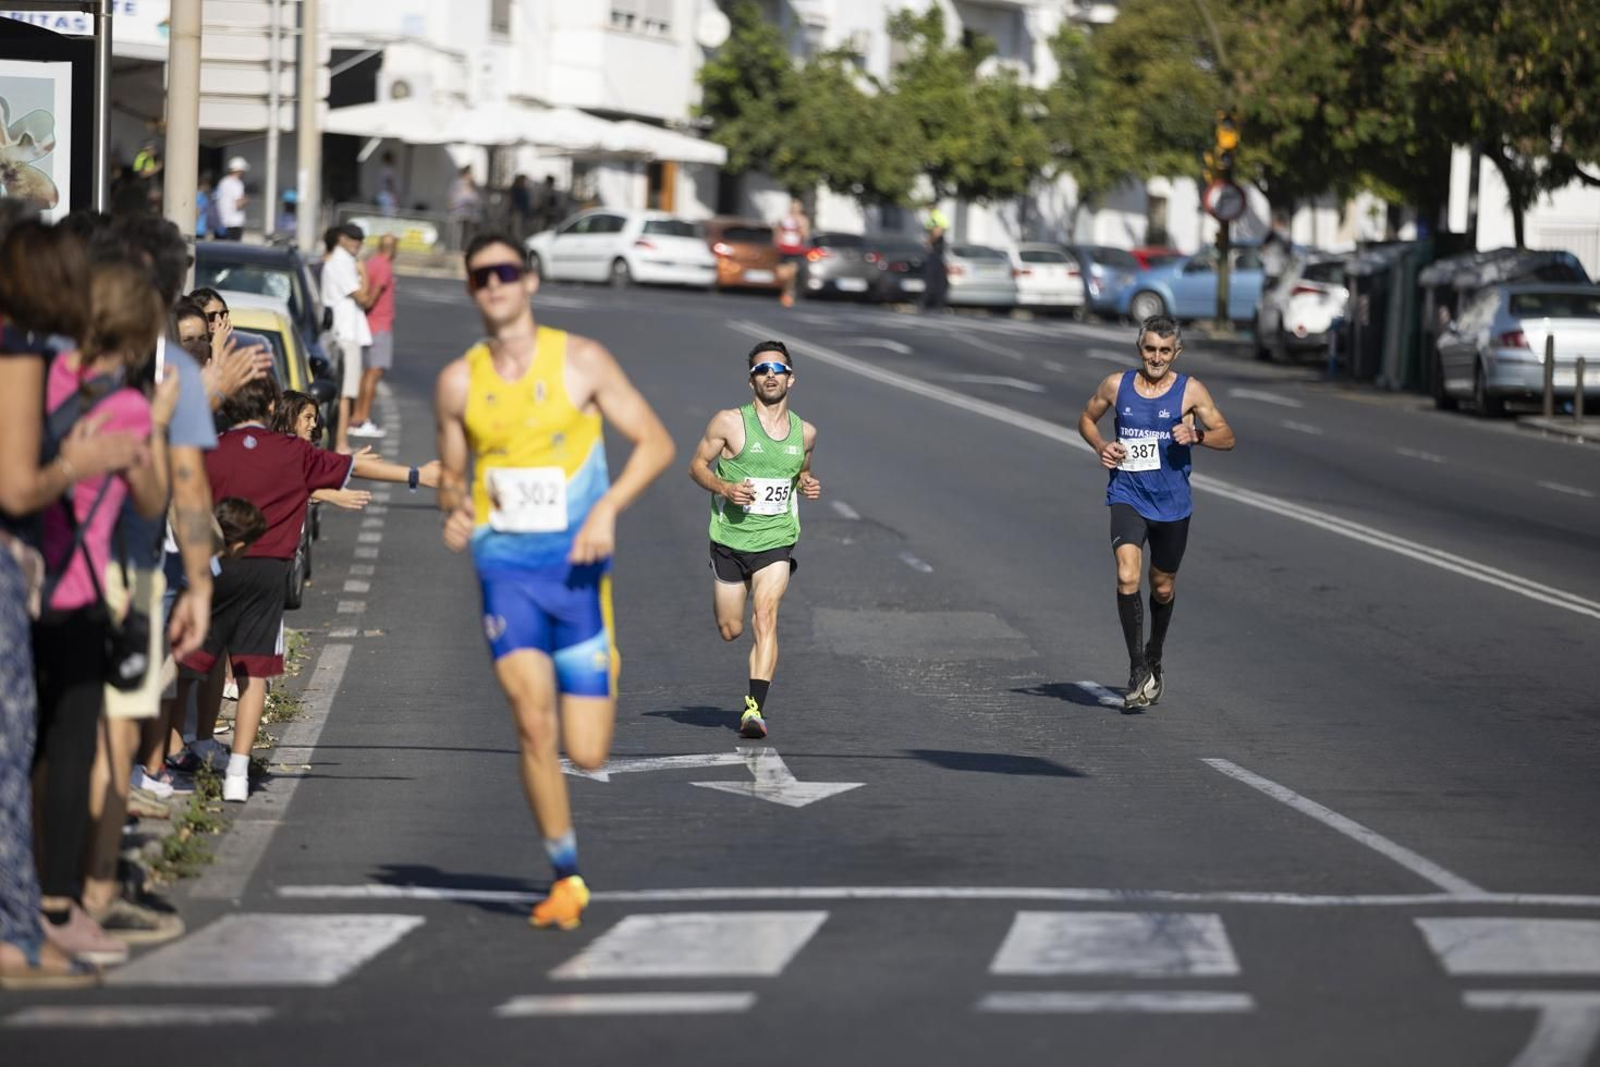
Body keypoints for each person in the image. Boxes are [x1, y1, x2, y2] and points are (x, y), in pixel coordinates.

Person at [435, 232, 675, 929]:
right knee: (533, 722)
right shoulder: (458, 382)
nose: (495, 285)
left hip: (579, 577)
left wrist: (605, 506)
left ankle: (603, 663)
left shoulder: (581, 361)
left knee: (588, 750)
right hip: (506, 572)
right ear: (471, 289)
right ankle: (565, 873)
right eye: (481, 277)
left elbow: (657, 441)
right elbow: (454, 477)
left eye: (506, 272)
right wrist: (454, 513)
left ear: (529, 281)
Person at [0, 217, 142, 989]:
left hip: (33, 577)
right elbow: (19, 483)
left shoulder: (32, 353)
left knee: (23, 752)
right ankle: (26, 924)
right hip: (36, 575)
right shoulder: (22, 352)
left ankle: (27, 919)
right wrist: (81, 461)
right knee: (27, 752)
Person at [34, 261, 174, 967]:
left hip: (21, 588)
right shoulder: (125, 406)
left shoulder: (40, 374)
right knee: (69, 757)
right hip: (82, 596)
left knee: (22, 756)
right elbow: (150, 500)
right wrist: (160, 421)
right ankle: (57, 907)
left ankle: (19, 889)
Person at [176, 375, 397, 803]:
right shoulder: (292, 452)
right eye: (307, 417)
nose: (312, 425)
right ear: (272, 409)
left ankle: (178, 750)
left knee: (193, 664)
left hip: (215, 563)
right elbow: (345, 467)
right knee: (253, 672)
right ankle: (238, 771)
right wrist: (415, 475)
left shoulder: (211, 447)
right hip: (269, 571)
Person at [1076, 315, 1235, 709]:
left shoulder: (1190, 391)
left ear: (1176, 352)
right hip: (1127, 495)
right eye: (1150, 349)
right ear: (1139, 349)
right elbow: (1085, 418)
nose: (1157, 357)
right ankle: (1135, 670)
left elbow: (1227, 436)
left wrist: (1197, 435)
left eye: (1165, 350)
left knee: (1162, 586)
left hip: (1172, 504)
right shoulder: (1117, 385)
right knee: (1127, 573)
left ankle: (1154, 656)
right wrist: (1101, 447)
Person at [688, 341, 820, 739]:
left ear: (790, 379)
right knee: (731, 629)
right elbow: (696, 466)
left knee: (766, 616)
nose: (770, 375)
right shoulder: (729, 423)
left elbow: (801, 472)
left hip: (776, 540)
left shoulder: (805, 433)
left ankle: (753, 711)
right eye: (762, 369)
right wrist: (725, 489)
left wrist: (806, 483)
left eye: (777, 369)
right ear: (752, 381)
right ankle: (734, 588)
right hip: (730, 538)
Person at [321, 224, 373, 451]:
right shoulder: (341, 263)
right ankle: (341, 442)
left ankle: (340, 440)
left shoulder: (341, 261)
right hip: (345, 332)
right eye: (354, 239)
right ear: (342, 239)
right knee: (345, 393)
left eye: (360, 240)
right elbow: (363, 297)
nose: (358, 244)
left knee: (346, 391)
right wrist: (364, 273)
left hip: (344, 330)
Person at [351, 234, 397, 437]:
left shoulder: (371, 262)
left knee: (365, 373)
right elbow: (374, 294)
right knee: (374, 372)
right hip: (378, 324)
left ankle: (356, 416)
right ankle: (362, 418)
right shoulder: (384, 267)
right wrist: (367, 303)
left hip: (367, 324)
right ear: (393, 249)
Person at [773, 198, 809, 309]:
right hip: (784, 249)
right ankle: (785, 290)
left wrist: (799, 227)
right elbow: (777, 232)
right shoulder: (784, 219)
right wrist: (777, 242)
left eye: (796, 207)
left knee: (792, 273)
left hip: (795, 250)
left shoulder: (803, 220)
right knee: (782, 275)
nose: (794, 209)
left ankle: (788, 294)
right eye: (793, 207)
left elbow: (805, 235)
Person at [215, 158, 249, 241]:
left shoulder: (223, 182)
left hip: (221, 222)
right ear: (239, 170)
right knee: (234, 251)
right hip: (234, 223)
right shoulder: (237, 183)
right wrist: (246, 200)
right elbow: (239, 205)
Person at [449, 166, 482, 249]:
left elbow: (475, 199)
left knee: (468, 234)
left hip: (470, 214)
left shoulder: (472, 185)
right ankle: (456, 249)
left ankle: (464, 249)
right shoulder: (458, 184)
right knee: (458, 233)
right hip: (460, 213)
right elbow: (455, 199)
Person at [921, 222, 948, 313]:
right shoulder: (931, 239)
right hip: (932, 263)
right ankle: (924, 304)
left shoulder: (941, 239)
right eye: (937, 230)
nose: (940, 232)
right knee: (930, 285)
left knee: (942, 285)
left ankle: (939, 305)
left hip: (939, 263)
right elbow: (927, 247)